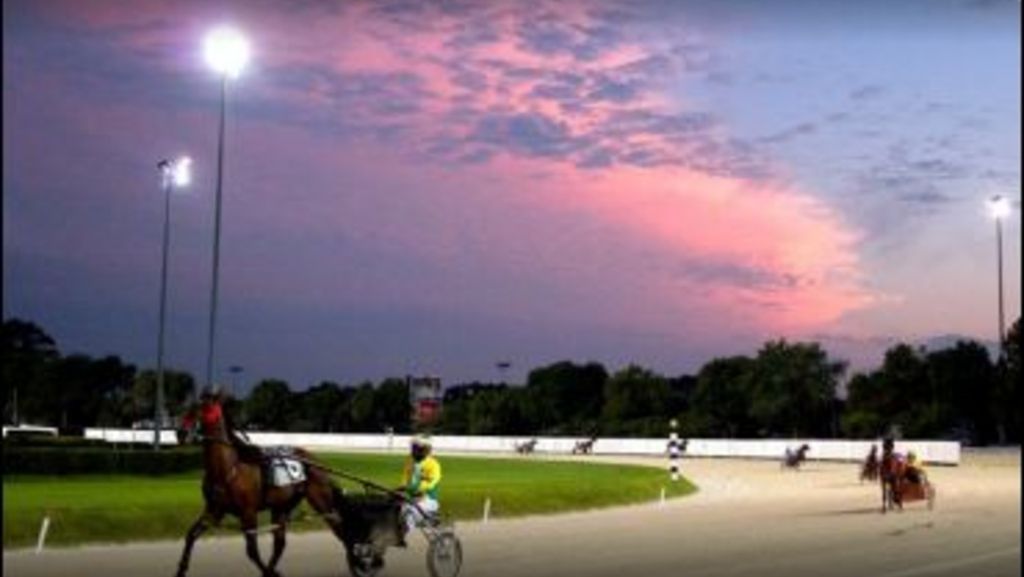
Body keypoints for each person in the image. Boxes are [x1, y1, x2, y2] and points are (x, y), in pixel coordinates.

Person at [399, 435, 442, 536]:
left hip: (428, 499)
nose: (413, 451)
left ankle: (403, 535)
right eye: (413, 448)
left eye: (416, 449)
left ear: (425, 450)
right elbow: (405, 478)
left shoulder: (434, 465)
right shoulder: (410, 461)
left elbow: (431, 484)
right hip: (411, 498)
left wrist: (416, 489)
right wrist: (401, 488)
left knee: (410, 512)